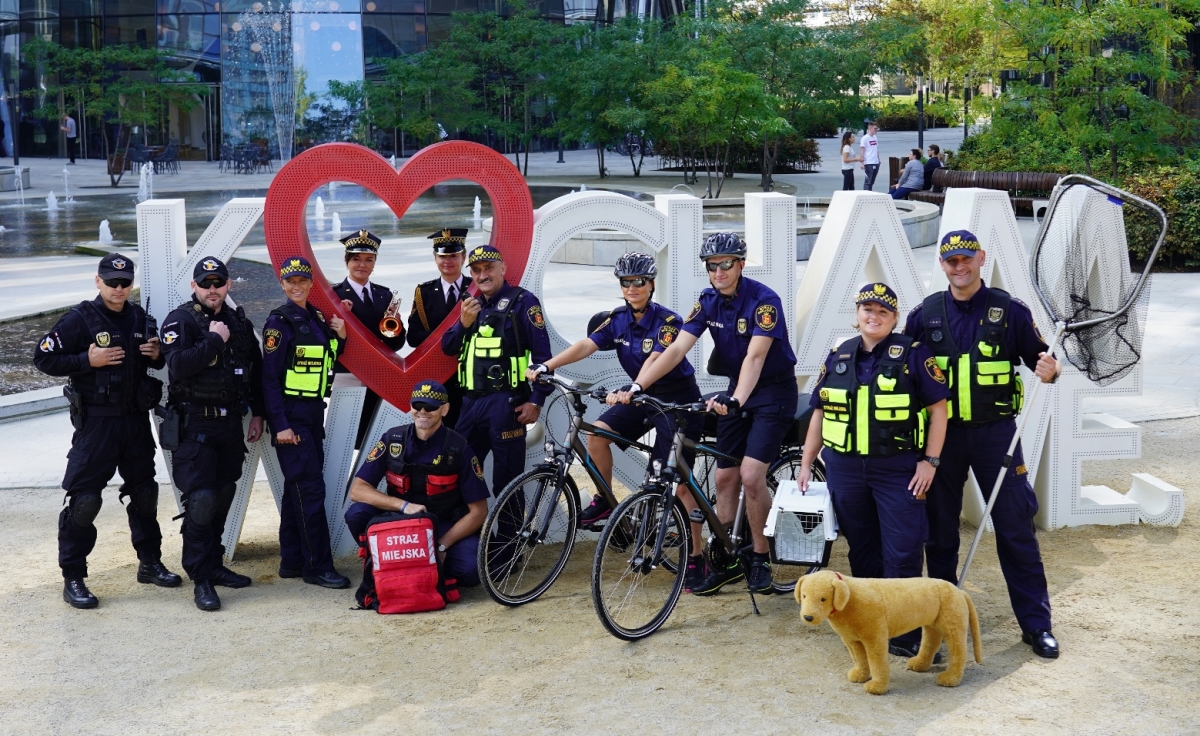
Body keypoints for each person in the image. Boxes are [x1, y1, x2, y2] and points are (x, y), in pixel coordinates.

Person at [903, 230, 1063, 659]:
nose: (959, 267)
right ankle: (939, 627)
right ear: (942, 264)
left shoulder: (1009, 311)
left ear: (981, 259)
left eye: (966, 259)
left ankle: (1036, 624)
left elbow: (1041, 359)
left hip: (997, 436)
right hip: (943, 439)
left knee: (1015, 527)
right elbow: (902, 372)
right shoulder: (924, 315)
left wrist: (1050, 369)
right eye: (951, 260)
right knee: (939, 535)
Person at [622, 232, 798, 596]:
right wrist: (639, 386)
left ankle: (760, 558)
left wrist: (736, 399)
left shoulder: (765, 301)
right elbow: (674, 350)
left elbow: (756, 357)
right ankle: (728, 559)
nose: (718, 271)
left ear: (741, 264)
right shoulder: (707, 302)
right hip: (737, 389)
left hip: (772, 391)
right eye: (712, 266)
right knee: (723, 480)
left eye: (726, 264)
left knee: (751, 476)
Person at [526, 253, 708, 590]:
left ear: (651, 284)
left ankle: (698, 555)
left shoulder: (668, 321)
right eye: (626, 282)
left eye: (639, 281)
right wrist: (547, 366)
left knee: (679, 485)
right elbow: (585, 345)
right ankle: (606, 502)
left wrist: (634, 385)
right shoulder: (618, 319)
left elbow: (658, 357)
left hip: (675, 402)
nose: (633, 287)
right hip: (639, 399)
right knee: (597, 436)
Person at [797, 282, 949, 658]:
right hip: (844, 469)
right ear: (857, 314)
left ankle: (907, 632)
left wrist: (930, 462)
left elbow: (939, 411)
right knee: (862, 552)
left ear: (895, 318)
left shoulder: (915, 354)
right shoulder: (839, 354)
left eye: (883, 311)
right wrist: (804, 464)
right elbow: (818, 411)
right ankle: (868, 624)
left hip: (897, 468)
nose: (874, 316)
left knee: (903, 551)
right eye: (868, 309)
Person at [33, 253, 180, 609]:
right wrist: (87, 360)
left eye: (125, 283)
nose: (118, 289)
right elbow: (43, 358)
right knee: (84, 502)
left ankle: (149, 562)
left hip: (133, 422)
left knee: (144, 494)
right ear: (97, 281)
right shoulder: (79, 319)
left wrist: (157, 354)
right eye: (111, 282)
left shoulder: (140, 318)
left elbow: (156, 362)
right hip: (96, 426)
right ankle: (74, 577)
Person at [160, 257, 265, 611]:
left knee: (222, 495)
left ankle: (215, 564)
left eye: (218, 282)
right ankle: (200, 577)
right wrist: (213, 342)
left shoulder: (237, 321)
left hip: (229, 425)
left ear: (228, 285)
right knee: (201, 500)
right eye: (205, 283)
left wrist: (259, 413)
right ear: (194, 287)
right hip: (195, 426)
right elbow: (176, 367)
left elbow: (254, 372)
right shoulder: (182, 320)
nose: (212, 289)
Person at [344, 381, 489, 588]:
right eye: (417, 405)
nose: (423, 411)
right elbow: (358, 490)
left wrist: (441, 546)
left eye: (431, 407)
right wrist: (402, 506)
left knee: (471, 571)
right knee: (356, 513)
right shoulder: (393, 439)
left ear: (445, 409)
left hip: (441, 525)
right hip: (399, 522)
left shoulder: (459, 448)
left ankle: (426, 566)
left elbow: (479, 511)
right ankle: (380, 559)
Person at [262, 256, 351, 589]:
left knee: (296, 489)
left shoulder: (313, 317)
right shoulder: (279, 323)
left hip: (313, 414)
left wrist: (340, 338)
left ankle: (293, 561)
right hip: (292, 419)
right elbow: (269, 379)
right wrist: (281, 424)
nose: (297, 286)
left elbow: (324, 360)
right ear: (282, 285)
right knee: (311, 490)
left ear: (310, 283)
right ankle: (318, 566)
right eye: (291, 282)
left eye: (302, 281)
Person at [442, 245, 551, 500]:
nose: (483, 276)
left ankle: (507, 540)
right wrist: (463, 323)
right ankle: (468, 537)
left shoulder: (523, 302)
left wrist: (536, 400)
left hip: (506, 403)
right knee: (459, 473)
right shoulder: (471, 307)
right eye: (477, 271)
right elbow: (448, 347)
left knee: (507, 481)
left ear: (502, 269)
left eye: (488, 268)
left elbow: (544, 359)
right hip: (469, 404)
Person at [331, 229, 406, 448]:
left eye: (368, 260)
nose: (362, 265)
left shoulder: (385, 295)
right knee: (346, 441)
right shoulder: (334, 295)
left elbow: (396, 345)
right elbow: (328, 342)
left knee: (375, 439)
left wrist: (397, 327)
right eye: (356, 259)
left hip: (379, 375)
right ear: (347, 262)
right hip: (349, 375)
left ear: (374, 263)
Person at [407, 228, 473, 428]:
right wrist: (446, 340)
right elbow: (413, 337)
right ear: (435, 258)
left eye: (453, 255)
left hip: (468, 372)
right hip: (438, 372)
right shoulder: (424, 292)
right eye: (442, 256)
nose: (448, 261)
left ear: (463, 257)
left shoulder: (476, 288)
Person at [860, 120, 880, 191]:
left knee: (872, 181)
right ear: (870, 128)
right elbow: (862, 151)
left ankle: (870, 194)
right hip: (868, 162)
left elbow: (876, 149)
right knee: (867, 182)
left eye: (876, 128)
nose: (876, 130)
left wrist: (878, 159)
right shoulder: (865, 138)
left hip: (876, 162)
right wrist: (862, 162)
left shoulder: (875, 137)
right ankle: (866, 195)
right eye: (875, 129)